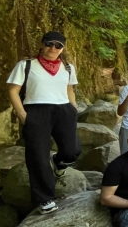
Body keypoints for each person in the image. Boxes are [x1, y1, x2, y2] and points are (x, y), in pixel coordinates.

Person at [7, 31, 80, 214]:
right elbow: (13, 90)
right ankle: (45, 198)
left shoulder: (68, 67)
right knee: (38, 155)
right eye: (49, 43)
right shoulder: (26, 65)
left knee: (72, 151)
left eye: (58, 45)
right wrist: (23, 114)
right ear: (42, 43)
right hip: (36, 110)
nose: (53, 48)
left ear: (63, 48)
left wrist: (74, 108)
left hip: (64, 109)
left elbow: (69, 89)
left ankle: (59, 163)